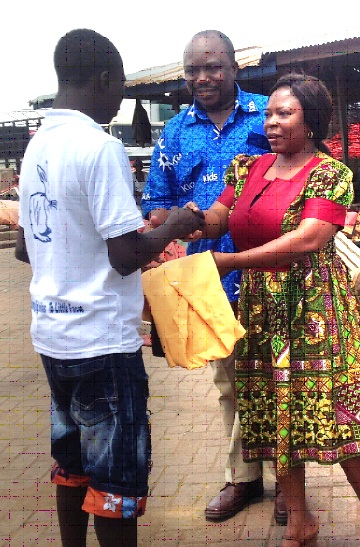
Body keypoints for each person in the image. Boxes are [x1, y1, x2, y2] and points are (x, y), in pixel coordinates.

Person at [14, 29, 205, 547]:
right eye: (119, 85)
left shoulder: (37, 150)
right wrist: (177, 225)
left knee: (70, 463)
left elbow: (25, 249)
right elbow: (124, 257)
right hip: (101, 343)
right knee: (115, 483)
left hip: (53, 338)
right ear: (103, 81)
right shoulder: (99, 148)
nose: (121, 97)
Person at [184, 73, 360, 547]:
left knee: (336, 414)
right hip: (260, 309)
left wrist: (229, 260)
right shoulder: (247, 168)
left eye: (284, 113)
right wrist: (188, 221)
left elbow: (307, 239)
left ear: (310, 121)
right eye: (269, 113)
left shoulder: (330, 174)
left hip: (314, 309)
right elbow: (219, 217)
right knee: (274, 415)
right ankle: (298, 522)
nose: (271, 122)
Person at [140, 30, 281, 524]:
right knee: (230, 384)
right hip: (208, 280)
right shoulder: (175, 132)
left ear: (234, 68)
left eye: (214, 66)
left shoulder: (270, 114)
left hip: (271, 270)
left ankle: (291, 481)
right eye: (194, 69)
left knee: (279, 378)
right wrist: (169, 229)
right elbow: (155, 204)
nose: (204, 77)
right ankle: (244, 478)